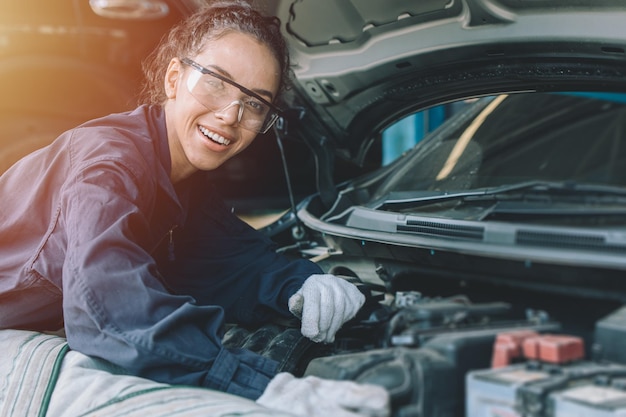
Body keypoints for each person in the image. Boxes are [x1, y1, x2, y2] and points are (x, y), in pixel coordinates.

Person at [0, 1, 390, 416]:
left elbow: (231, 260)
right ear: (173, 78)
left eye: (256, 103)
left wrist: (304, 286)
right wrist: (258, 386)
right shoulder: (108, 165)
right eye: (217, 82)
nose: (230, 116)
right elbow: (109, 303)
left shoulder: (185, 182)